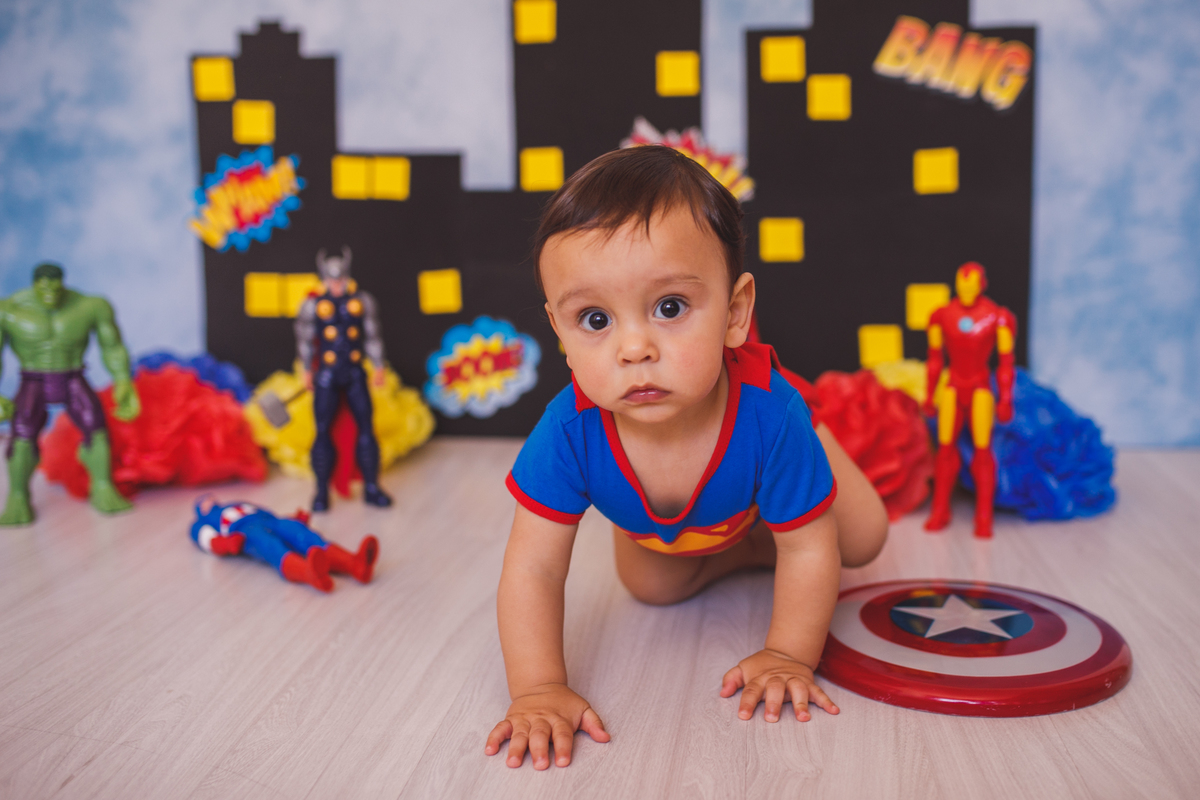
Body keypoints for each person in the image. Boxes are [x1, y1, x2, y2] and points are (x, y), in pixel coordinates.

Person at [485, 146, 889, 770]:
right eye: (595, 319)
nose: (635, 348)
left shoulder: (766, 416)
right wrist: (537, 688)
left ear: (734, 313)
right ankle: (755, 537)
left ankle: (807, 460)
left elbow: (812, 549)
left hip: (770, 448)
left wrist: (787, 653)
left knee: (856, 540)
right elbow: (533, 569)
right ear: (560, 333)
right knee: (650, 585)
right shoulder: (569, 431)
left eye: (669, 307)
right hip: (690, 522)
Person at [0, 262, 140, 525]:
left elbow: (112, 346)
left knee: (96, 427)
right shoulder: (9, 310)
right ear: (35, 285)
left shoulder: (90, 306)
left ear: (62, 283)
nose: (50, 292)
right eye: (44, 287)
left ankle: (102, 487)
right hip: (32, 378)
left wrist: (123, 380)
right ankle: (18, 496)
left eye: (55, 286)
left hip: (73, 375)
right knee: (21, 432)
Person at [922, 261, 1016, 538]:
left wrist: (1006, 398)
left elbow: (1006, 364)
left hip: (979, 388)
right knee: (945, 448)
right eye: (962, 284)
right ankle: (940, 509)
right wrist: (930, 394)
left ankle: (984, 515)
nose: (966, 289)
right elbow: (935, 360)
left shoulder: (997, 317)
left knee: (982, 450)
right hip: (953, 386)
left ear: (981, 285)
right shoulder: (941, 315)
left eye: (971, 284)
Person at [294, 247, 392, 511]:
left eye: (340, 279)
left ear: (347, 277)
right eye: (331, 280)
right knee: (323, 431)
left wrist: (379, 365)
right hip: (326, 374)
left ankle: (372, 486)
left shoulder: (362, 301)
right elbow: (305, 341)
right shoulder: (312, 305)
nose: (336, 285)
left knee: (366, 428)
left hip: (354, 371)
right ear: (324, 279)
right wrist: (306, 370)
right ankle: (322, 492)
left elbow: (373, 336)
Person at [189, 496, 379, 592]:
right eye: (204, 501)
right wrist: (226, 543)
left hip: (272, 520)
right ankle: (308, 573)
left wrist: (294, 519)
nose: (210, 500)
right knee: (270, 545)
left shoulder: (236, 503)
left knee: (301, 533)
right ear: (199, 509)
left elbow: (266, 513)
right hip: (244, 530)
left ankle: (355, 563)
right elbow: (206, 538)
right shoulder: (203, 521)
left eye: (211, 497)